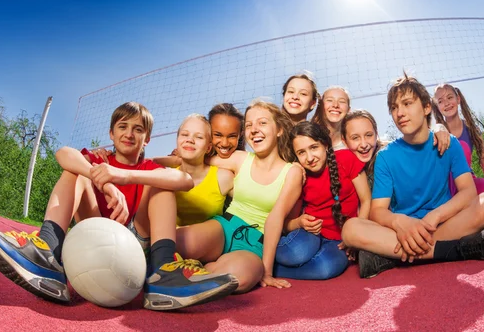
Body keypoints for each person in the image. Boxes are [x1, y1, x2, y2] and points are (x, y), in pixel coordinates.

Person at [0, 102, 238, 310]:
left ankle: (162, 276)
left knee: (163, 184)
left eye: (138, 129)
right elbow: (63, 154)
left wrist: (124, 176)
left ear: (147, 139)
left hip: (135, 240)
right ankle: (48, 253)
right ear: (111, 134)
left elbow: (182, 180)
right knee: (75, 171)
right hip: (93, 229)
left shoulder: (148, 168)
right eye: (123, 127)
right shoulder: (99, 160)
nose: (129, 133)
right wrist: (103, 180)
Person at [341, 74, 484, 278]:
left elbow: (468, 192)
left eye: (407, 103)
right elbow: (378, 211)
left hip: (443, 224)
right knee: (350, 229)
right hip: (402, 231)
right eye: (394, 108)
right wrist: (401, 223)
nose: (400, 113)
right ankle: (453, 250)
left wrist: (435, 216)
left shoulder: (449, 143)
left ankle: (390, 257)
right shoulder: (385, 157)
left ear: (426, 107)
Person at [174, 100, 303, 292]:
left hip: (253, 243)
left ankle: (204, 268)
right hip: (224, 227)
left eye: (262, 123)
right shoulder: (240, 158)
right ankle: (187, 266)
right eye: (249, 125)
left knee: (236, 280)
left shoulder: (292, 172)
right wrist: (153, 161)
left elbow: (275, 219)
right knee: (173, 241)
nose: (254, 129)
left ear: (279, 130)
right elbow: (198, 160)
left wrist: (266, 271)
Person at [274, 121, 371, 280]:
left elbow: (366, 200)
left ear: (325, 144)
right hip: (310, 234)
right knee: (297, 253)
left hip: (340, 240)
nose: (310, 158)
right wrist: (300, 222)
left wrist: (356, 238)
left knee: (326, 268)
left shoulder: (346, 159)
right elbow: (287, 223)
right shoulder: (299, 176)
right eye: (301, 152)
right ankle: (260, 258)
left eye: (314, 147)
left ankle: (276, 270)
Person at [433, 83, 484, 221]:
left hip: (468, 182)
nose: (446, 103)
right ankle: (456, 210)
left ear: (458, 99)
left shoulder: (471, 129)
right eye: (441, 101)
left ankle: (469, 208)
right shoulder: (438, 131)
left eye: (449, 98)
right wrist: (437, 128)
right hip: (448, 186)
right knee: (461, 147)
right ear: (437, 106)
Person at [153, 114, 233, 226]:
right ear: (177, 140)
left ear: (208, 148)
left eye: (199, 137)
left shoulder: (223, 177)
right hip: (171, 240)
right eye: (184, 134)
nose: (190, 140)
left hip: (212, 239)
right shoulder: (165, 177)